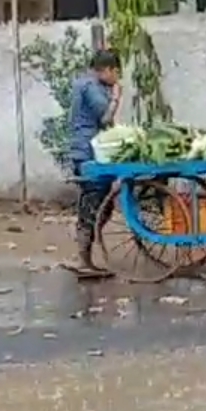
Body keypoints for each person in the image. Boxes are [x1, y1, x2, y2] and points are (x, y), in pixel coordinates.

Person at [66, 49, 124, 276]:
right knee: (93, 202)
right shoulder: (90, 86)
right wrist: (117, 96)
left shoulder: (89, 84)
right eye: (115, 72)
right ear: (106, 70)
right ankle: (83, 260)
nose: (116, 78)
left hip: (92, 150)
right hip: (87, 151)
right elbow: (105, 118)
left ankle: (86, 256)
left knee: (101, 203)